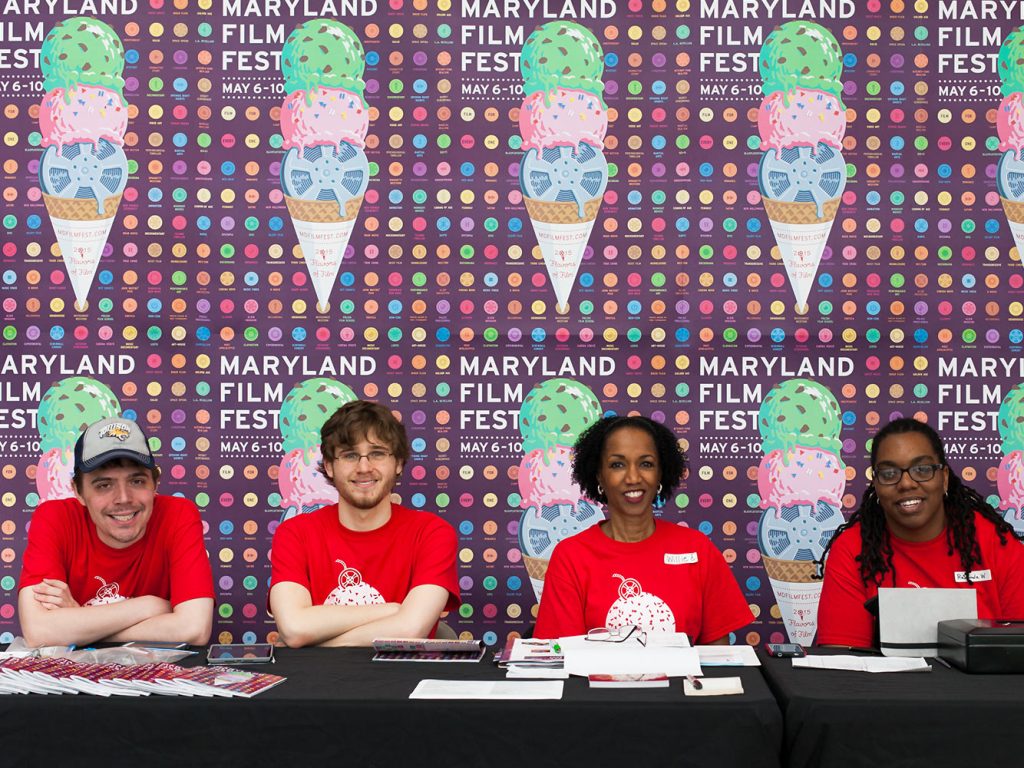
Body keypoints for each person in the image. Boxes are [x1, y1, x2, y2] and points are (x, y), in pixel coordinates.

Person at [534, 415, 753, 644]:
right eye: (617, 464)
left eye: (646, 464)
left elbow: (717, 656)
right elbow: (564, 657)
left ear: (661, 473)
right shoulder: (571, 556)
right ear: (599, 475)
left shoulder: (697, 548)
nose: (633, 477)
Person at [817, 416, 1024, 647]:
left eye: (922, 469)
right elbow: (841, 664)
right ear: (875, 484)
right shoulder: (852, 549)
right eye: (889, 474)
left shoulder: (996, 543)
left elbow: (1017, 654)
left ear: (944, 478)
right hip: (883, 684)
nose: (906, 484)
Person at [269, 400, 459, 647]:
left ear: (398, 463)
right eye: (349, 455)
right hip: (315, 682)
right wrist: (393, 610)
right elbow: (295, 628)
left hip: (405, 681)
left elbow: (411, 629)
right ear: (329, 466)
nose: (364, 467)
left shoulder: (432, 533)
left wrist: (315, 644)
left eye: (378, 453)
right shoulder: (295, 533)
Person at [18, 417, 214, 647]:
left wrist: (80, 624)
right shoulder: (54, 517)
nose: (123, 498)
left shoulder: (178, 515)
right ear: (77, 491)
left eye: (137, 481)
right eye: (104, 485)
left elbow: (194, 629)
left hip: (156, 678)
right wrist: (150, 606)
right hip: (76, 679)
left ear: (155, 484)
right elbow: (39, 631)